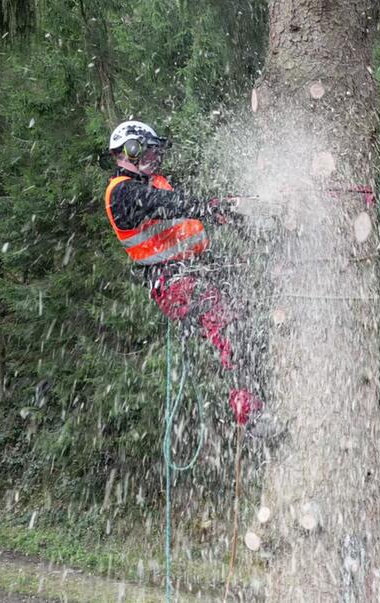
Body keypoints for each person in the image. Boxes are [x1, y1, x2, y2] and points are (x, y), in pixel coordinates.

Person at [102, 120, 264, 428]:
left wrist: (226, 211)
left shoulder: (155, 183)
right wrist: (206, 206)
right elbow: (165, 205)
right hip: (173, 281)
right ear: (130, 151)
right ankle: (250, 414)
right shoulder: (121, 193)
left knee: (246, 314)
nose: (155, 160)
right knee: (229, 325)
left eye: (156, 154)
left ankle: (256, 395)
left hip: (195, 270)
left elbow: (181, 219)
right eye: (148, 154)